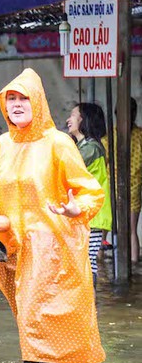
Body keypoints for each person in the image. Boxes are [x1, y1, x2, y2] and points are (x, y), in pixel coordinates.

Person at [0, 68, 105, 363]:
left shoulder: (58, 144)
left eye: (24, 97)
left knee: (37, 324)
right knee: (36, 322)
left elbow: (90, 191)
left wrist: (77, 208)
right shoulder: (1, 146)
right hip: (14, 249)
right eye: (12, 98)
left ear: (38, 102)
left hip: (53, 249)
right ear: (4, 105)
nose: (17, 103)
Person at [66, 103, 112, 288]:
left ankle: (88, 306)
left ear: (84, 120)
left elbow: (66, 170)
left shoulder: (91, 148)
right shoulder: (84, 146)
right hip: (86, 214)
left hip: (91, 216)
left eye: (73, 115)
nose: (68, 120)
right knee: (84, 261)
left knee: (86, 262)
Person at [102, 97, 142, 262]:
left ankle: (99, 259)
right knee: (131, 230)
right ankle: (134, 263)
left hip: (112, 187)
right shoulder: (140, 136)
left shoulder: (109, 137)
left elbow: (102, 164)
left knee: (103, 227)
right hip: (134, 188)